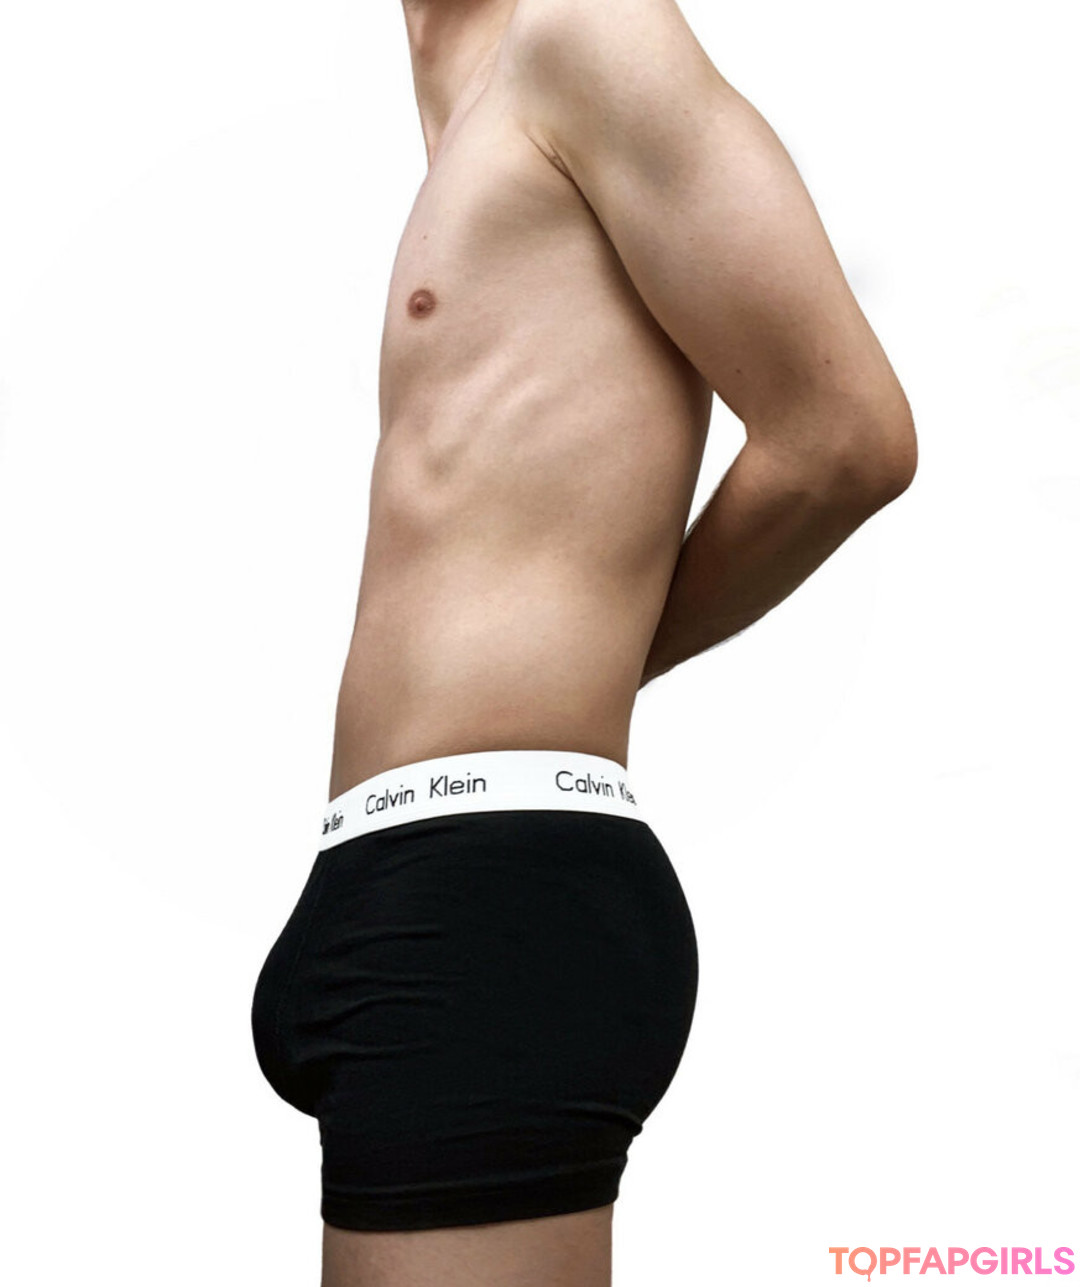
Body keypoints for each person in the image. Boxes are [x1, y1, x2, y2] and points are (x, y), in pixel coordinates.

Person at [251, 1, 918, 1283]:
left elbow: (848, 436)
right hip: (388, 882)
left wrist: (603, 656)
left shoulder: (589, 32)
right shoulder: (457, 101)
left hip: (491, 906)